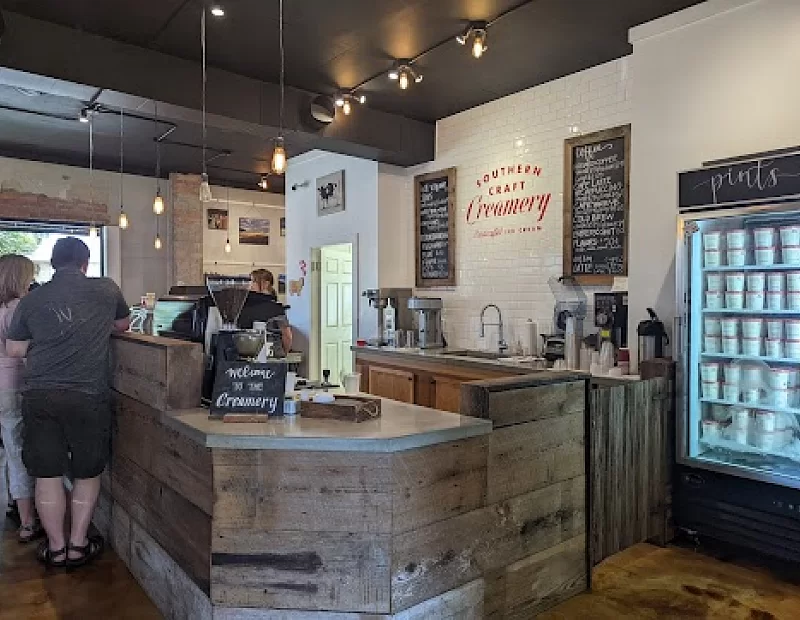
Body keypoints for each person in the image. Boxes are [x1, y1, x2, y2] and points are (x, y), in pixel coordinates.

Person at [6, 237, 130, 568]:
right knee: (87, 472)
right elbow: (122, 325)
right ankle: (78, 546)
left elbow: (14, 349)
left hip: (40, 395)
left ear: (54, 263)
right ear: (85, 264)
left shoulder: (33, 298)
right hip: (88, 395)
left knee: (46, 474)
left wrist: (47, 341)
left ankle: (56, 549)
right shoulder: (106, 289)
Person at [0, 254, 40, 543]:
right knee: (18, 451)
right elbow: (24, 350)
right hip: (13, 385)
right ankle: (27, 521)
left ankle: (16, 504)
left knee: (8, 446)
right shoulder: (17, 310)